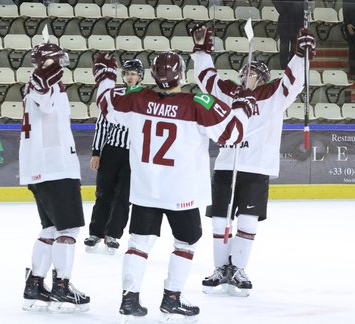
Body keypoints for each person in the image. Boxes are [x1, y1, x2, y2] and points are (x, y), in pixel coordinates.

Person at [92, 51, 256, 321]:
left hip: (146, 189)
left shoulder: (136, 98)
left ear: (153, 75)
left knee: (138, 244)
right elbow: (233, 134)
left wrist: (107, 75)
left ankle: (129, 300)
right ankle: (172, 298)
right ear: (181, 74)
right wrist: (245, 102)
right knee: (186, 242)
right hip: (183, 192)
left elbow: (106, 103)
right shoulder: (198, 102)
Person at [190, 24, 316, 296]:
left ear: (263, 78)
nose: (249, 75)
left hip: (257, 167)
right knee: (219, 221)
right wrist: (201, 50)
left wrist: (301, 55)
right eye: (246, 71)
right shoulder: (226, 93)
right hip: (226, 165)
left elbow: (294, 81)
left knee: (247, 221)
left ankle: (239, 268)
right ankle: (221, 268)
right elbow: (206, 78)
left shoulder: (273, 96)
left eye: (255, 73)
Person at [19, 42, 90, 313]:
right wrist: (47, 76)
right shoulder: (44, 85)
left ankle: (35, 283)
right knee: (68, 230)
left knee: (50, 229)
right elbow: (47, 101)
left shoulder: (37, 86)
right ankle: (62, 285)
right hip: (55, 168)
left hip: (40, 168)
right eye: (59, 60)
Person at [84, 59, 144, 252]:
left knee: (124, 196)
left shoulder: (147, 97)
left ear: (140, 76)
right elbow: (102, 124)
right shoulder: (113, 95)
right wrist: (96, 152)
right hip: (111, 150)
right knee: (103, 193)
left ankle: (113, 234)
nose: (130, 77)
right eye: (127, 73)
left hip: (134, 154)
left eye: (134, 73)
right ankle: (95, 232)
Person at [272, 0, 305, 69]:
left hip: (298, 22)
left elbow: (305, 5)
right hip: (285, 22)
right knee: (284, 47)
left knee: (295, 46)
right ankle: (283, 66)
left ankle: (292, 65)